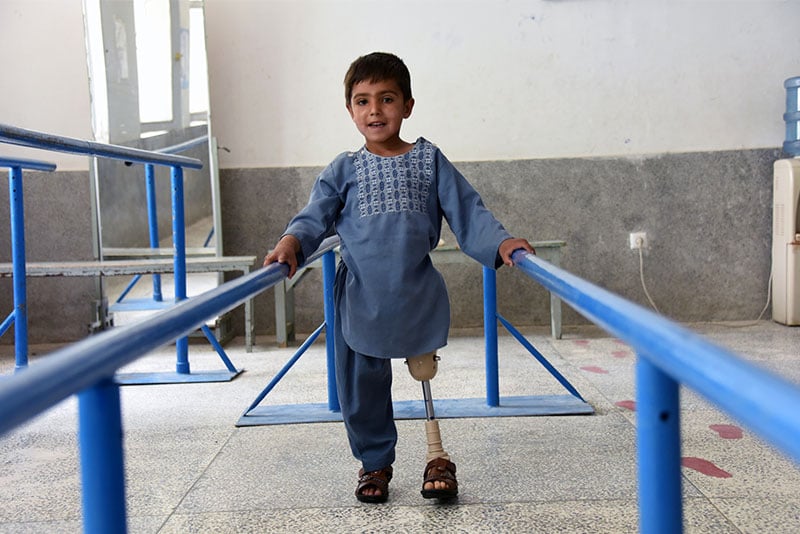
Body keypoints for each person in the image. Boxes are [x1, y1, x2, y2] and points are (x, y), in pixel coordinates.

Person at [264, 51, 535, 504]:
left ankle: (437, 454)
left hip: (414, 291)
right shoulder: (343, 169)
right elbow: (314, 216)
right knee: (361, 386)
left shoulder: (429, 159)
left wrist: (502, 244)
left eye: (387, 99)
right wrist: (292, 243)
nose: (375, 111)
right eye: (363, 101)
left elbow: (468, 211)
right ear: (350, 110)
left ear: (407, 105)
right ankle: (374, 462)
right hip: (360, 296)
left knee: (424, 373)